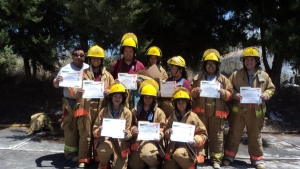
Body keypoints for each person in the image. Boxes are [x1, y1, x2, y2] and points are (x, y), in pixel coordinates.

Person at [222, 47, 275, 169]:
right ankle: (229, 157)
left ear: (256, 61)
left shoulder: (264, 76)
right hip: (239, 111)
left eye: (252, 60)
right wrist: (235, 94)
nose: (249, 62)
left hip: (256, 112)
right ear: (243, 61)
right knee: (234, 134)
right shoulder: (236, 75)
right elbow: (229, 88)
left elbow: (271, 88)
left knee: (255, 135)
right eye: (247, 60)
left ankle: (257, 160)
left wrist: (266, 94)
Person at [70, 45, 115, 167]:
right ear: (90, 59)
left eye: (98, 58)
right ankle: (83, 160)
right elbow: (72, 88)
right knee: (86, 134)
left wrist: (109, 92)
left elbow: (114, 89)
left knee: (99, 132)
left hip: (102, 108)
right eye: (93, 58)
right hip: (86, 107)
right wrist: (76, 91)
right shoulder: (82, 74)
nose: (96, 60)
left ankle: (98, 158)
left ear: (101, 60)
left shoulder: (107, 75)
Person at [190, 49, 233, 169]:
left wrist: (224, 93)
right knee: (200, 135)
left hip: (217, 114)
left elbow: (230, 94)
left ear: (217, 65)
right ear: (204, 65)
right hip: (201, 114)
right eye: (208, 63)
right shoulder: (197, 78)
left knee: (217, 137)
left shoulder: (223, 80)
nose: (211, 66)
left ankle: (216, 160)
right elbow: (190, 93)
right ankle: (200, 158)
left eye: (213, 64)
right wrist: (195, 92)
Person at [53, 47, 89, 162]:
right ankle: (70, 154)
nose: (79, 57)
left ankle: (82, 152)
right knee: (70, 127)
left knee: (83, 127)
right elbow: (56, 85)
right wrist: (56, 81)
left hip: (84, 102)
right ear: (72, 56)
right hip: (70, 102)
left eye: (81, 55)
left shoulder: (88, 68)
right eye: (76, 54)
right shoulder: (65, 69)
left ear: (84, 57)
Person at [163, 87, 208, 169]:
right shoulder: (172, 117)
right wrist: (169, 132)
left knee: (178, 154)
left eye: (183, 102)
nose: (181, 104)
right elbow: (165, 132)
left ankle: (191, 166)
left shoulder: (193, 117)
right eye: (179, 102)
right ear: (175, 103)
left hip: (189, 147)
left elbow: (203, 134)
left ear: (188, 103)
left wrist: (195, 140)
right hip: (174, 146)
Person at [92, 82, 132, 169]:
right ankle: (103, 165)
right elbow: (94, 130)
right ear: (111, 97)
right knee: (103, 150)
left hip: (120, 143)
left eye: (120, 97)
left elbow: (129, 133)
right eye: (115, 96)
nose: (117, 99)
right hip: (106, 140)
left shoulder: (127, 112)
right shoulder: (104, 111)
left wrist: (126, 134)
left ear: (123, 98)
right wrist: (99, 131)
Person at [128, 81, 166, 169]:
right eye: (145, 97)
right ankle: (145, 162)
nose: (147, 99)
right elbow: (132, 124)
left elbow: (163, 127)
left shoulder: (159, 112)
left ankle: (155, 164)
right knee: (134, 165)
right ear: (142, 97)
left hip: (152, 140)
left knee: (148, 155)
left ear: (154, 98)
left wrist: (160, 134)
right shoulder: (135, 110)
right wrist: (133, 129)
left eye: (150, 98)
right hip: (138, 139)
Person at [110, 32, 145, 109]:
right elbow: (110, 81)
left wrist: (140, 83)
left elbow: (146, 85)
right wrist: (114, 83)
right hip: (120, 100)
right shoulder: (116, 64)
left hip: (136, 100)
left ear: (134, 52)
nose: (128, 54)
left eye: (130, 51)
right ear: (123, 51)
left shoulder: (140, 65)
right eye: (126, 51)